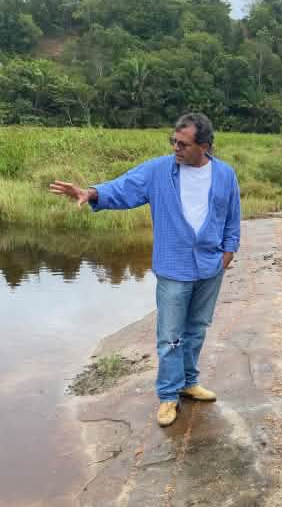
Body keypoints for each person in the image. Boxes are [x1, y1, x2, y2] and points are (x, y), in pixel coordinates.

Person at [50, 112, 240, 428]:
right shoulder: (158, 171)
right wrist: (92, 193)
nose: (176, 148)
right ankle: (168, 396)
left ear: (204, 146)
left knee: (196, 329)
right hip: (173, 267)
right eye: (173, 141)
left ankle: (189, 383)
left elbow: (232, 216)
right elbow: (124, 188)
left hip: (210, 266)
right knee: (169, 337)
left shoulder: (224, 175)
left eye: (183, 143)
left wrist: (228, 252)